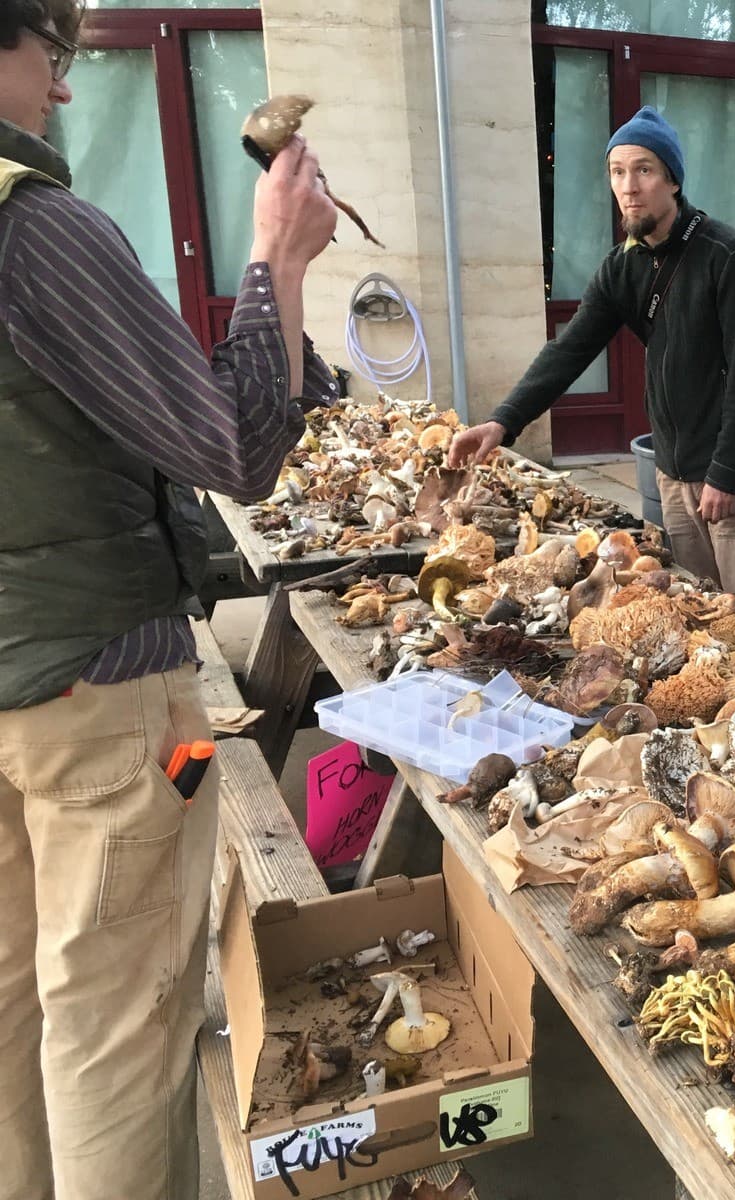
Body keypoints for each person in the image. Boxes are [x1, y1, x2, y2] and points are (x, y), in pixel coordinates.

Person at [0, 3, 339, 1196]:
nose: (66, 94)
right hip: (104, 691)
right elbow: (239, 449)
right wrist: (280, 260)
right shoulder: (34, 230)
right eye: (52, 59)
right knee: (119, 1016)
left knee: (17, 1005)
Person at [450, 106, 735, 610]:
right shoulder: (622, 264)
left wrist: (726, 472)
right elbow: (570, 349)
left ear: (672, 181)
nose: (629, 186)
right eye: (617, 171)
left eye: (644, 170)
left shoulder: (726, 254)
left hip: (731, 475)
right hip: (673, 474)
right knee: (697, 618)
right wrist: (502, 422)